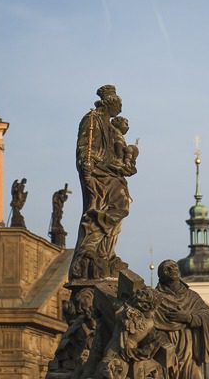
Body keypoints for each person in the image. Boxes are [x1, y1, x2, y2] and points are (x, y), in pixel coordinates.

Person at [71, 85, 136, 280]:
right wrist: (87, 164)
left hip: (111, 173)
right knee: (101, 209)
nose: (121, 110)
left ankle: (106, 253)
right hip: (99, 173)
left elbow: (115, 152)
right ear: (110, 103)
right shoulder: (92, 119)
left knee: (120, 206)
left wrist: (124, 165)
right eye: (119, 104)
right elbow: (85, 147)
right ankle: (89, 250)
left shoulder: (110, 125)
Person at [154, 260, 209, 379]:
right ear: (161, 276)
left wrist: (189, 318)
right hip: (166, 347)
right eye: (167, 268)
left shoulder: (191, 296)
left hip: (189, 349)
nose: (172, 269)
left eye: (174, 266)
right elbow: (149, 322)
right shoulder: (156, 298)